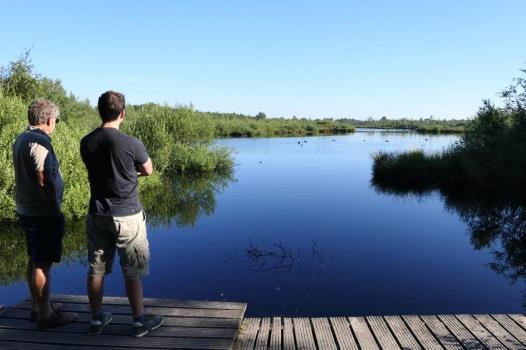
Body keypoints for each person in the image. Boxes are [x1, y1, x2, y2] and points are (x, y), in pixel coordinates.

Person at [80, 91, 163, 337]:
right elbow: (148, 170)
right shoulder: (131, 143)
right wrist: (131, 172)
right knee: (133, 270)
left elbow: (100, 170)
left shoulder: (87, 141)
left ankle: (97, 318)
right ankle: (139, 321)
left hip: (97, 214)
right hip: (127, 216)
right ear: (123, 113)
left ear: (99, 111)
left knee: (96, 269)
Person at [13, 99, 77, 329]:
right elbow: (44, 180)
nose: (56, 124)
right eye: (56, 121)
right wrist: (54, 210)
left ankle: (39, 306)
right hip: (42, 213)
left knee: (34, 260)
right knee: (43, 264)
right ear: (49, 119)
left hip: (28, 210)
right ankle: (45, 316)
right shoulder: (40, 143)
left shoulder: (22, 138)